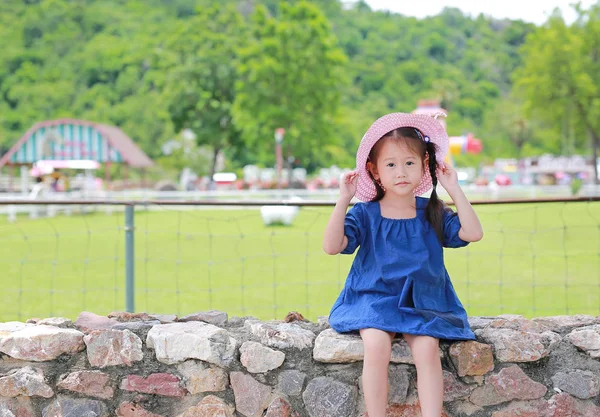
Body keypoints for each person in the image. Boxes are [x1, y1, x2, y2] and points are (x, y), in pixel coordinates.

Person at [323, 112, 483, 417]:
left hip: (423, 300)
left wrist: (454, 188)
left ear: (424, 166)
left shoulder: (432, 211)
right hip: (373, 297)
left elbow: (473, 233)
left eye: (409, 163)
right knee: (376, 345)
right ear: (375, 171)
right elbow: (332, 247)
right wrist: (343, 199)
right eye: (391, 164)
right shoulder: (365, 214)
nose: (401, 172)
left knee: (426, 349)